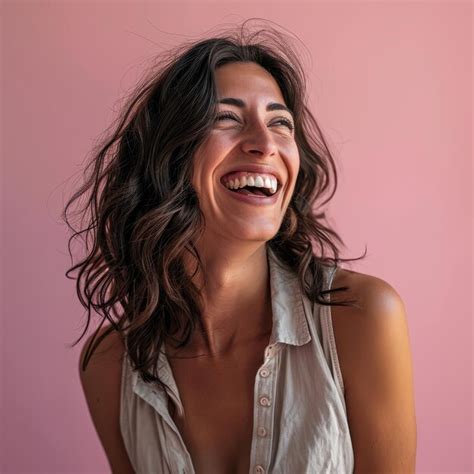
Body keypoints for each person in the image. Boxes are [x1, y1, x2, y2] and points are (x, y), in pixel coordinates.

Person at [64, 21, 417, 474]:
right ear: (168, 157)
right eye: (226, 118)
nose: (265, 144)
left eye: (280, 123)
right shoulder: (109, 366)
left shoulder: (361, 318)